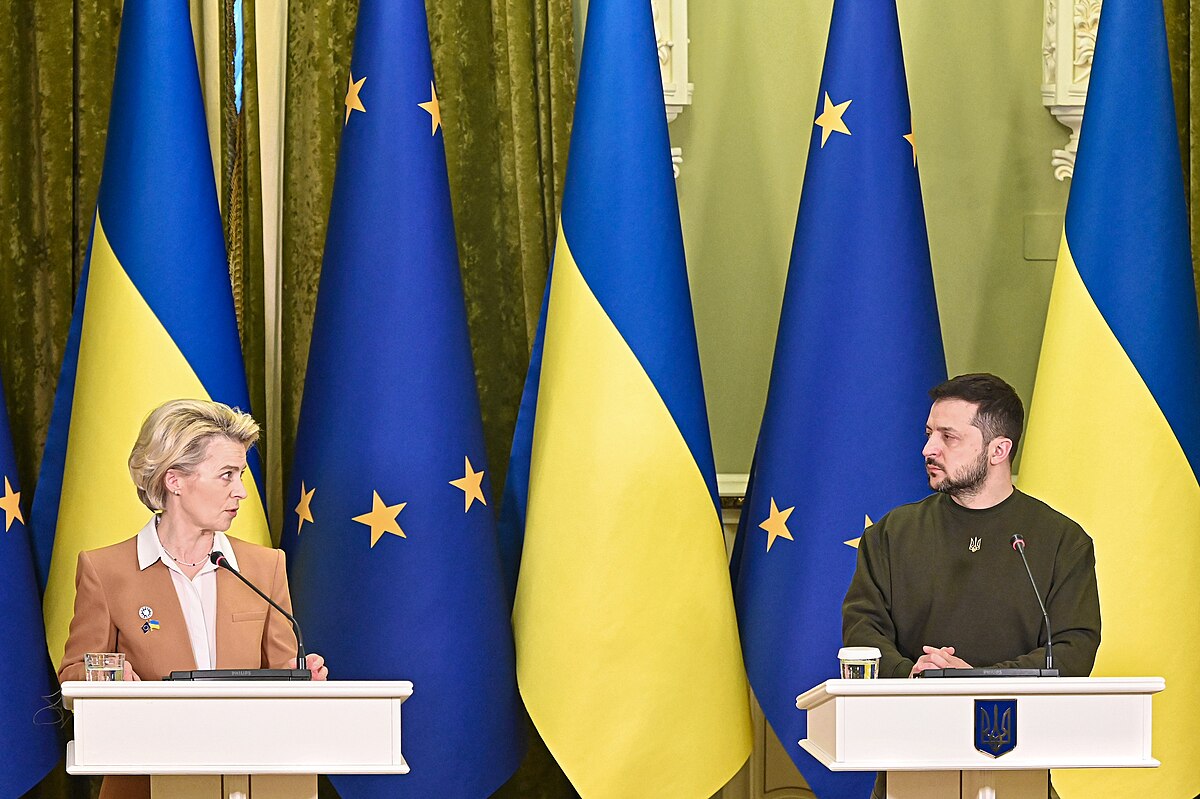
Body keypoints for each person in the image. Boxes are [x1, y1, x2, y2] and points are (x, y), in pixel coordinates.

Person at [58, 399, 328, 799]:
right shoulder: (105, 570)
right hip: (144, 781)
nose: (241, 491)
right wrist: (110, 681)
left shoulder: (264, 566)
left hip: (251, 781)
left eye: (241, 475)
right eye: (226, 476)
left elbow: (283, 668)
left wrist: (300, 674)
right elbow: (73, 673)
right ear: (175, 481)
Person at [842, 373, 1101, 678]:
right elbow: (862, 631)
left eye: (948, 437)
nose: (928, 449)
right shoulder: (892, 534)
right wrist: (912, 675)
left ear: (998, 450)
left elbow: (1074, 649)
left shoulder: (1063, 541)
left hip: (1022, 720)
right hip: (909, 715)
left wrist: (979, 679)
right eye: (929, 434)